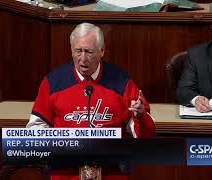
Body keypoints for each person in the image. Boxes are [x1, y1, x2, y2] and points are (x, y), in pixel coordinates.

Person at [27, 22, 156, 179]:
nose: (83, 59)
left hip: (111, 172)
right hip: (66, 172)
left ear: (102, 51)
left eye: (89, 52)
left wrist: (140, 116)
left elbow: (146, 135)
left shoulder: (122, 82)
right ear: (71, 51)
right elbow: (34, 130)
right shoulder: (54, 82)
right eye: (78, 51)